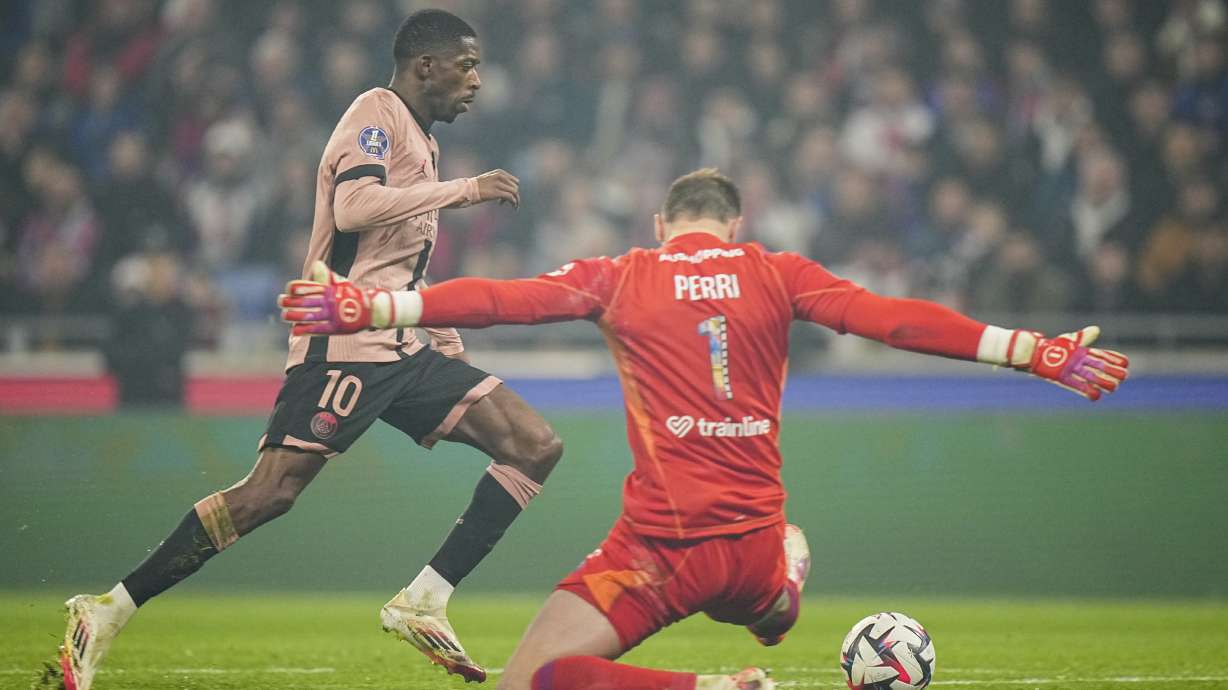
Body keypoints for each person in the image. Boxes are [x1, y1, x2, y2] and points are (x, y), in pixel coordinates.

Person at [281, 169, 1130, 690]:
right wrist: (1029, 350)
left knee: (535, 683)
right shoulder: (776, 272)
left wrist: (379, 303)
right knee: (769, 611)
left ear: (662, 225)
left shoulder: (625, 275)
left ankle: (715, 687)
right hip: (753, 545)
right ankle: (783, 591)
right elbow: (892, 321)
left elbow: (509, 300)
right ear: (735, 225)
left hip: (660, 548)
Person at [58, 10, 558, 689]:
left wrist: (442, 334)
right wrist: (470, 190)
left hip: (400, 344)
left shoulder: (423, 138)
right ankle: (107, 609)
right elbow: (355, 209)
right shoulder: (374, 113)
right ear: (425, 66)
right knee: (269, 494)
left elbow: (397, 261)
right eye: (466, 65)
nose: (477, 80)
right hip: (344, 340)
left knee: (533, 444)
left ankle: (424, 600)